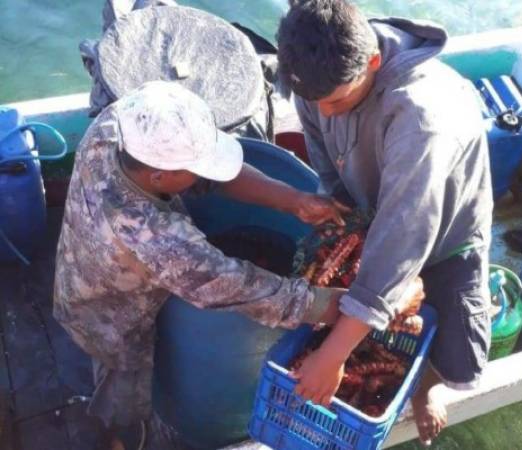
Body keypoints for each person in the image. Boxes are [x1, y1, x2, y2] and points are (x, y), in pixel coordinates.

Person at [53, 80, 349, 449]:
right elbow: (237, 286)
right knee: (122, 381)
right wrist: (331, 306)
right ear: (159, 177)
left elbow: (217, 178)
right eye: (196, 167)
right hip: (108, 315)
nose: (206, 173)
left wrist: (292, 200)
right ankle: (120, 434)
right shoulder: (156, 238)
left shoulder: (118, 127)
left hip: (81, 261)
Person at [277, 0, 494, 444]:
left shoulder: (422, 117)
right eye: (315, 101)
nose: (327, 112)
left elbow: (404, 234)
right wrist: (339, 206)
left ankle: (427, 386)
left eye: (336, 100)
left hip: (448, 231)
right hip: (378, 206)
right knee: (361, 298)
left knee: (461, 361)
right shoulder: (317, 76)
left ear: (373, 61)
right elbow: (324, 152)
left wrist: (334, 355)